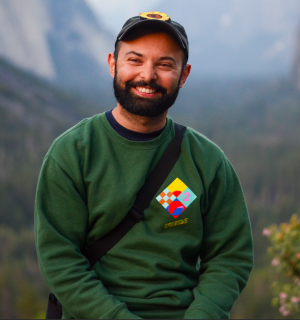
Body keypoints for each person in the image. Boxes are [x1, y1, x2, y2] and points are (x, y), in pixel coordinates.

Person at [35, 11, 253, 319]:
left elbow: (230, 256)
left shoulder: (208, 161)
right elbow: (60, 260)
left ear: (184, 74)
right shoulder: (72, 153)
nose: (147, 75)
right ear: (113, 64)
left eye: (164, 64)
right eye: (135, 60)